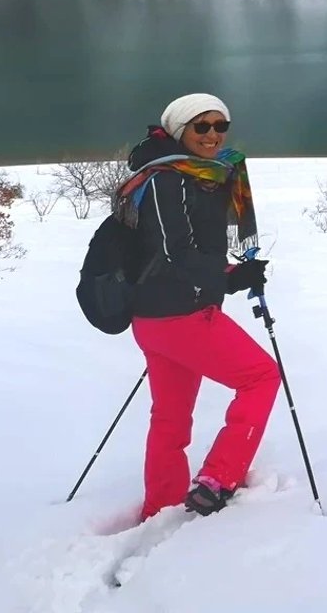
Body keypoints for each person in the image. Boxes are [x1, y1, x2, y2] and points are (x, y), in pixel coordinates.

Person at [117, 93, 280, 519]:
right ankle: (219, 478)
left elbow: (181, 253)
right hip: (181, 316)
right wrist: (229, 278)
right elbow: (176, 254)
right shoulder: (168, 179)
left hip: (155, 317)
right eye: (201, 126)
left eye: (219, 125)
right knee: (261, 376)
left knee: (170, 419)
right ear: (179, 131)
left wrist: (226, 273)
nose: (212, 135)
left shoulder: (198, 175)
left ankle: (161, 506)